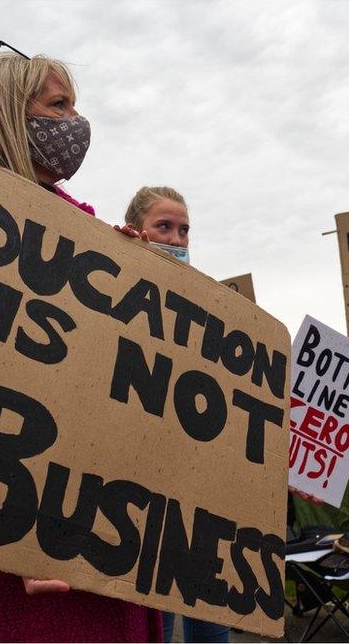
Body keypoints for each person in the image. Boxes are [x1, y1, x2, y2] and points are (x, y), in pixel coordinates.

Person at [0, 47, 162, 643]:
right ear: (3, 115)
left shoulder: (84, 228)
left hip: (94, 530)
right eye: (59, 105)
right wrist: (21, 530)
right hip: (3, 542)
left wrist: (133, 279)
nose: (76, 121)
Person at [118, 186, 228, 644]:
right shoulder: (114, 290)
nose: (178, 238)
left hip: (200, 499)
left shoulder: (207, 306)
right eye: (164, 227)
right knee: (153, 627)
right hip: (140, 499)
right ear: (136, 230)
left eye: (184, 230)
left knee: (210, 624)